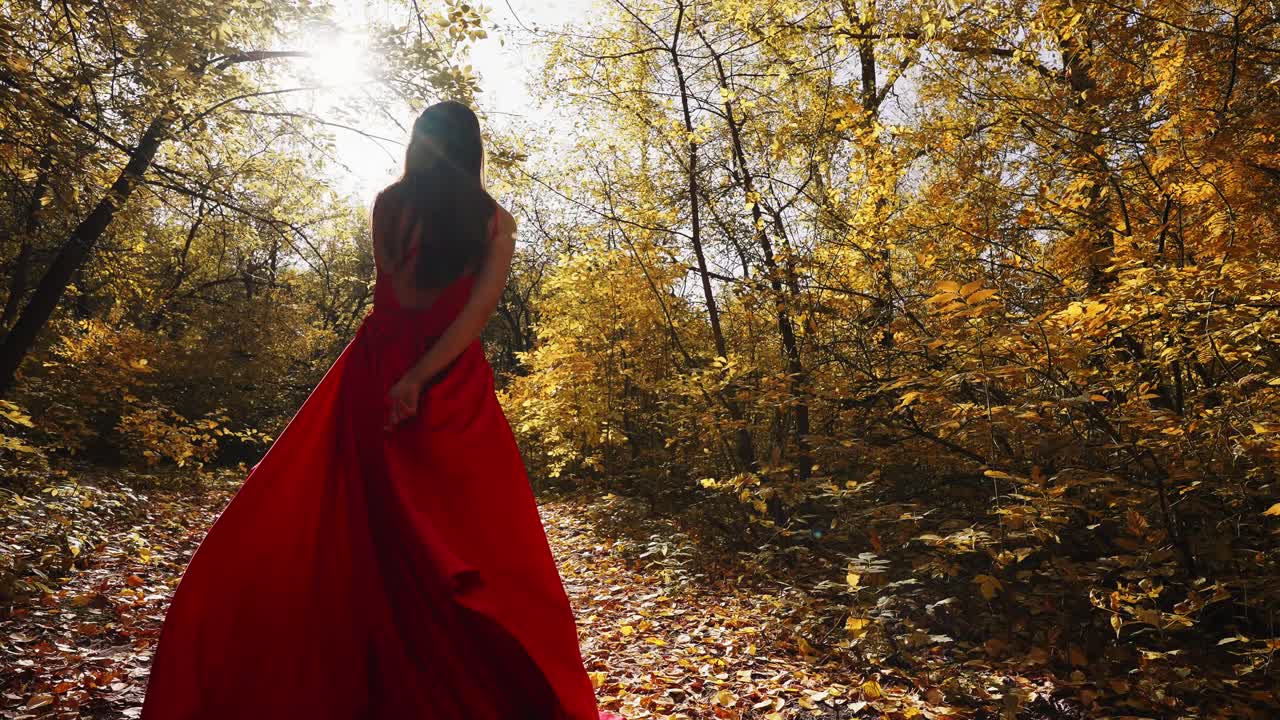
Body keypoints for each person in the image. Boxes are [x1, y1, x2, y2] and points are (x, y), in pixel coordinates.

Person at [142, 100, 618, 719]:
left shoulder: (391, 205)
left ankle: (372, 682)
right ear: (472, 149)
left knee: (372, 527)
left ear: (420, 144)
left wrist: (401, 376)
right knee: (470, 537)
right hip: (451, 386)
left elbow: (394, 294)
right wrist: (421, 379)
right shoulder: (494, 221)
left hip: (376, 369)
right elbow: (473, 318)